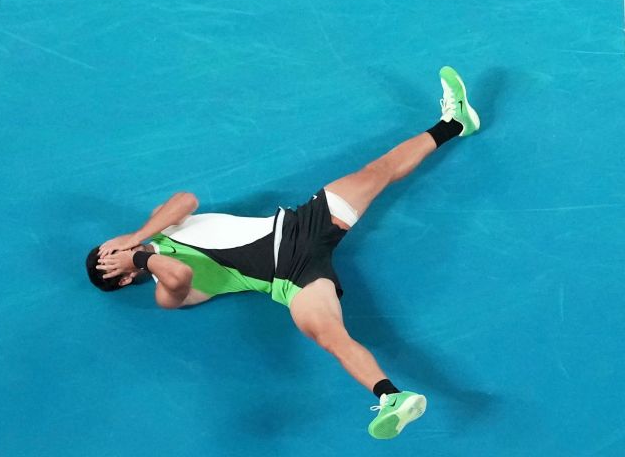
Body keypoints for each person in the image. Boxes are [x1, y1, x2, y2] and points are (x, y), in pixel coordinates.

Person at [85, 66, 480, 439]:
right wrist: (139, 258)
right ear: (123, 277)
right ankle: (392, 396)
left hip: (298, 225)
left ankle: (456, 123)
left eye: (109, 245)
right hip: (290, 281)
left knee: (379, 171)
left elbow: (186, 199)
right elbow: (179, 277)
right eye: (111, 257)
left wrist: (139, 236)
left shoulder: (158, 223)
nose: (116, 245)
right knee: (330, 336)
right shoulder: (163, 291)